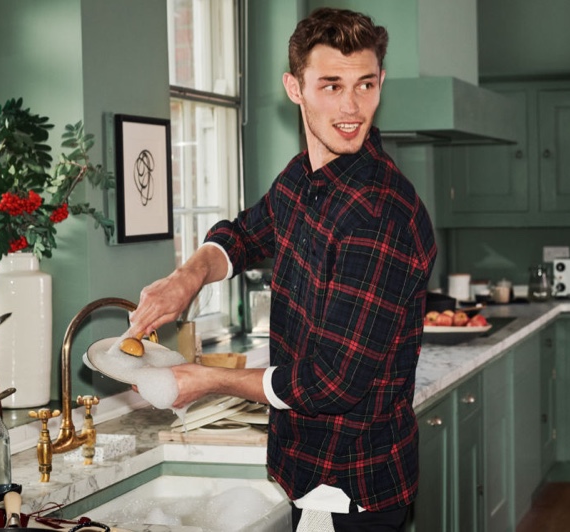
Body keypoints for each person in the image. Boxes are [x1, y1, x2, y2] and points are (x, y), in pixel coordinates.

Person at [128, 8, 436, 531]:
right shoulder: (304, 178)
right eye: (331, 85)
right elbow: (249, 232)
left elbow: (331, 383)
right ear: (294, 88)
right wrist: (189, 275)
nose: (351, 106)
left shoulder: (380, 215)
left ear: (381, 80)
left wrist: (204, 380)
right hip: (307, 470)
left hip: (349, 489)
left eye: (364, 84)